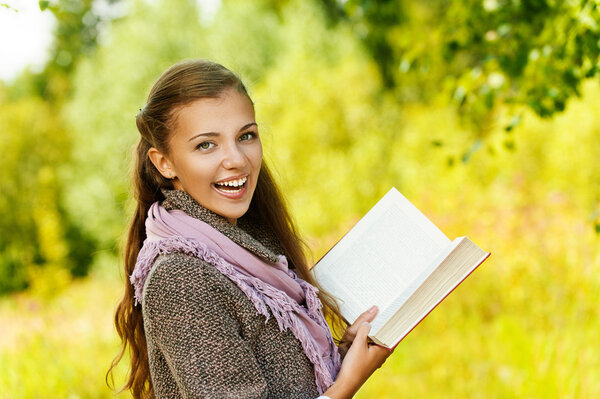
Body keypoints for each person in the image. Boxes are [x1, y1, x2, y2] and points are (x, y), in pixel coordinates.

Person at [108, 59, 393, 399]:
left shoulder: (253, 248)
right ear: (164, 163)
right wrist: (346, 386)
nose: (237, 159)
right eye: (206, 144)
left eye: (246, 136)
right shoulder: (181, 278)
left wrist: (343, 359)